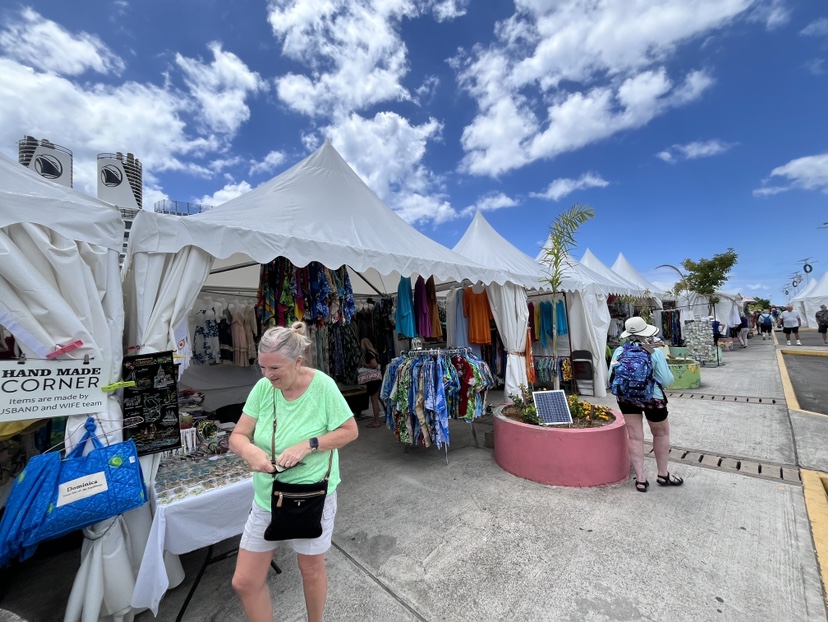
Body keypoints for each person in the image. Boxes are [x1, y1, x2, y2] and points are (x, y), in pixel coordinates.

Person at [229, 322, 359, 622]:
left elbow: (350, 431)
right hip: (266, 498)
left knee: (310, 570)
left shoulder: (323, 386)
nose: (267, 375)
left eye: (275, 368)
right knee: (245, 581)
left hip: (311, 496)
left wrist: (309, 444)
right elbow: (237, 435)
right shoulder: (264, 388)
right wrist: (250, 451)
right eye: (262, 367)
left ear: (298, 362)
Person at [611, 317, 682, 493]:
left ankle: (641, 479)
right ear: (645, 333)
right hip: (653, 399)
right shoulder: (654, 352)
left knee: (635, 437)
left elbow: (610, 378)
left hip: (626, 399)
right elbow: (667, 380)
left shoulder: (619, 351)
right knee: (660, 433)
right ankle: (663, 474)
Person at [360, 337, 383, 427]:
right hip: (376, 379)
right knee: (376, 399)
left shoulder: (368, 354)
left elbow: (374, 364)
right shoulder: (374, 352)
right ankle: (376, 419)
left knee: (374, 401)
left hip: (373, 380)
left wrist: (365, 365)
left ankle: (376, 421)